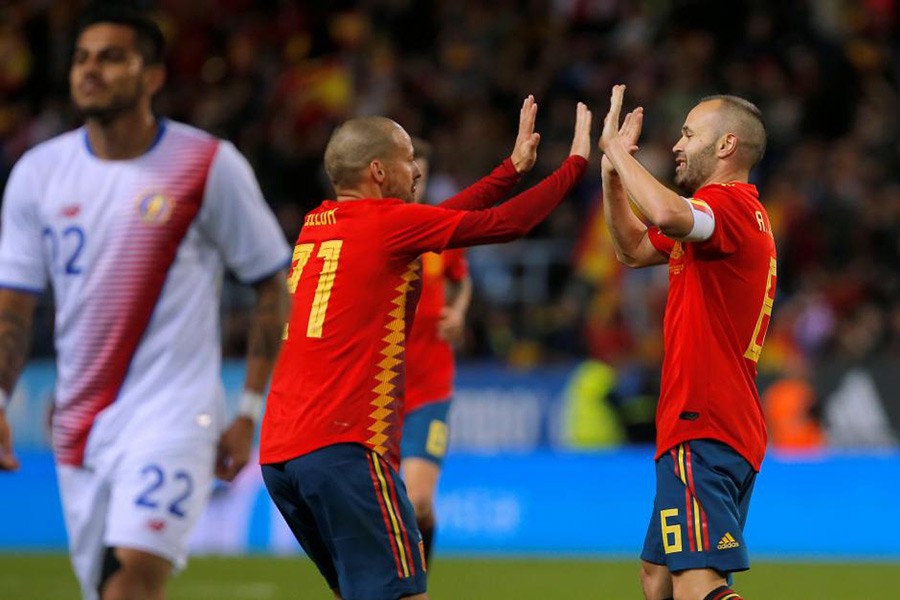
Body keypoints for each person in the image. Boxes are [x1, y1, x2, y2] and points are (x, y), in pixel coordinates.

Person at [0, 6, 290, 600]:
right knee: (104, 587)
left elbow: (270, 281)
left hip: (176, 416)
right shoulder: (38, 173)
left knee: (131, 579)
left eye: (111, 57)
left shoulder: (207, 164)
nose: (91, 71)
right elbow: (14, 305)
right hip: (80, 422)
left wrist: (249, 409)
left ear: (152, 75)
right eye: (82, 58)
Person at [260, 97, 592, 600]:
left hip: (282, 454)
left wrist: (511, 169)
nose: (415, 169)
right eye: (407, 157)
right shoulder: (386, 224)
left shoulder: (319, 223)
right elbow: (509, 225)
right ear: (378, 171)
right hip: (345, 448)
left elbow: (441, 218)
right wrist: (575, 167)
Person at [597, 85, 776, 600]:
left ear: (725, 146)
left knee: (697, 584)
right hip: (717, 422)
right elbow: (631, 248)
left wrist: (613, 149)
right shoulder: (726, 219)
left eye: (689, 133)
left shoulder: (726, 205)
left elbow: (669, 215)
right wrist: (613, 177)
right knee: (658, 581)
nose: (677, 144)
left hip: (704, 418)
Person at [399, 137, 473, 566]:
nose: (415, 181)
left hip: (429, 389)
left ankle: (418, 579)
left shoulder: (439, 232)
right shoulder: (379, 231)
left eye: (421, 174)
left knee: (419, 502)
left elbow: (462, 278)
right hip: (377, 394)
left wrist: (459, 311)